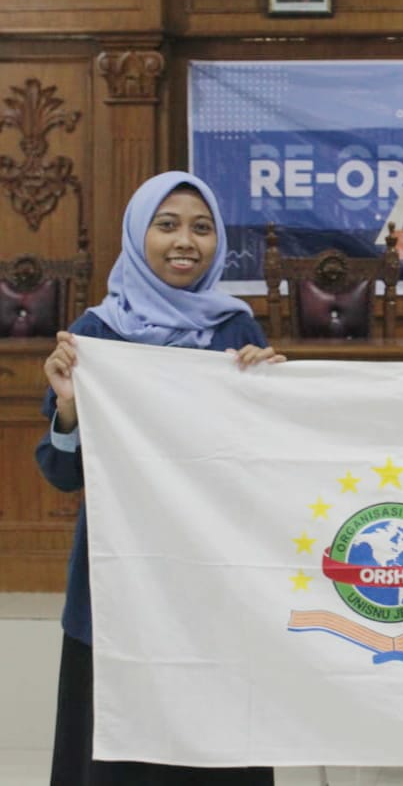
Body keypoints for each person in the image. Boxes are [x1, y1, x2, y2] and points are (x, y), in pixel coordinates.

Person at [38, 171, 282, 786]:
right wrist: (69, 407)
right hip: (119, 575)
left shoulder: (236, 332)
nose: (185, 241)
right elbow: (64, 473)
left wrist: (271, 393)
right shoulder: (96, 336)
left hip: (214, 576)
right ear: (136, 233)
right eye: (166, 224)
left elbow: (267, 466)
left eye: (202, 228)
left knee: (217, 740)